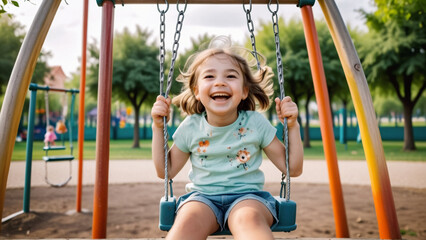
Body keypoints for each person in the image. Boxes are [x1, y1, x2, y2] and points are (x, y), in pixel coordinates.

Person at [151, 37, 303, 240]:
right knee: (187, 220)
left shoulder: (255, 123)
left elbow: (293, 168)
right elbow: (165, 170)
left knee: (247, 219)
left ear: (244, 91)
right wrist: (157, 127)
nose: (220, 82)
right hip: (202, 198)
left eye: (230, 76)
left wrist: (292, 126)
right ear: (197, 91)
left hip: (249, 198)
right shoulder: (191, 126)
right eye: (209, 76)